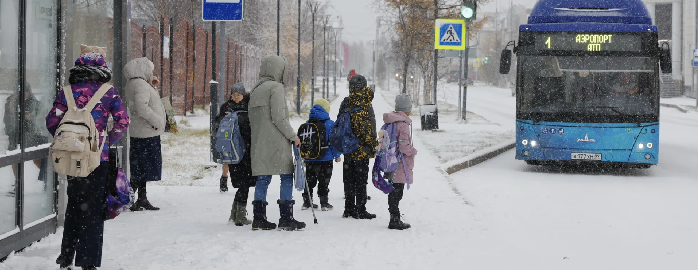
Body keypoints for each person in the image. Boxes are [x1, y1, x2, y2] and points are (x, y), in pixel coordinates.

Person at [46, 52, 129, 270]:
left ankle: (66, 256)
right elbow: (122, 121)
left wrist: (70, 141)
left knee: (74, 205)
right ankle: (88, 261)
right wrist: (107, 140)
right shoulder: (108, 92)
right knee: (92, 210)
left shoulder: (67, 92)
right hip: (97, 159)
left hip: (72, 159)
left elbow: (52, 121)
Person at [248, 55, 305, 231]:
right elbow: (279, 118)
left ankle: (259, 218)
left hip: (259, 142)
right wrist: (293, 137)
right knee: (286, 176)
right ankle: (286, 218)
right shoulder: (276, 88)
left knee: (263, 177)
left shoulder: (255, 90)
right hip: (277, 141)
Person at [124, 57, 166, 211]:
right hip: (146, 132)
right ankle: (126, 198)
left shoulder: (136, 83)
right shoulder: (140, 85)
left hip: (142, 131)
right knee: (143, 168)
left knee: (140, 168)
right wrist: (157, 121)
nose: (151, 73)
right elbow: (142, 108)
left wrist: (152, 86)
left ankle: (141, 198)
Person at [214, 82, 257, 226]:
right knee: (244, 184)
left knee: (242, 184)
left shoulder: (234, 108)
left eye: (238, 95)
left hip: (234, 151)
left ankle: (235, 213)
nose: (236, 97)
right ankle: (239, 216)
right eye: (233, 95)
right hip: (240, 151)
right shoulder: (240, 109)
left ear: (243, 94)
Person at [337, 75, 379, 220]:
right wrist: (372, 143)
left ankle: (348, 208)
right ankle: (360, 209)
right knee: (361, 180)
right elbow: (367, 127)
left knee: (348, 178)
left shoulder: (346, 102)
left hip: (348, 146)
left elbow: (339, 123)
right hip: (362, 148)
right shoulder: (365, 103)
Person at [4, 82, 48, 196]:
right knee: (14, 159)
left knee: (37, 159)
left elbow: (42, 120)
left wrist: (31, 118)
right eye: (21, 93)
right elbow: (7, 119)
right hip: (15, 134)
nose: (24, 95)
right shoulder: (10, 102)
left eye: (26, 92)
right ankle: (18, 184)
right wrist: (10, 130)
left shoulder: (36, 104)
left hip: (31, 134)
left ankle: (47, 181)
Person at [382, 94, 417, 230]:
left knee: (394, 191)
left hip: (391, 160)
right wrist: (413, 151)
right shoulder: (403, 125)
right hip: (400, 163)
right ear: (406, 109)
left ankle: (394, 217)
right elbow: (403, 146)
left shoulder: (391, 121)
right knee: (397, 192)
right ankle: (394, 220)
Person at [302, 99, 342, 211]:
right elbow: (333, 142)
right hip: (326, 158)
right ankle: (324, 203)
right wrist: (337, 155)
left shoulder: (307, 123)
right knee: (324, 180)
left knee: (309, 180)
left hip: (310, 158)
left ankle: (307, 202)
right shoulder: (330, 124)